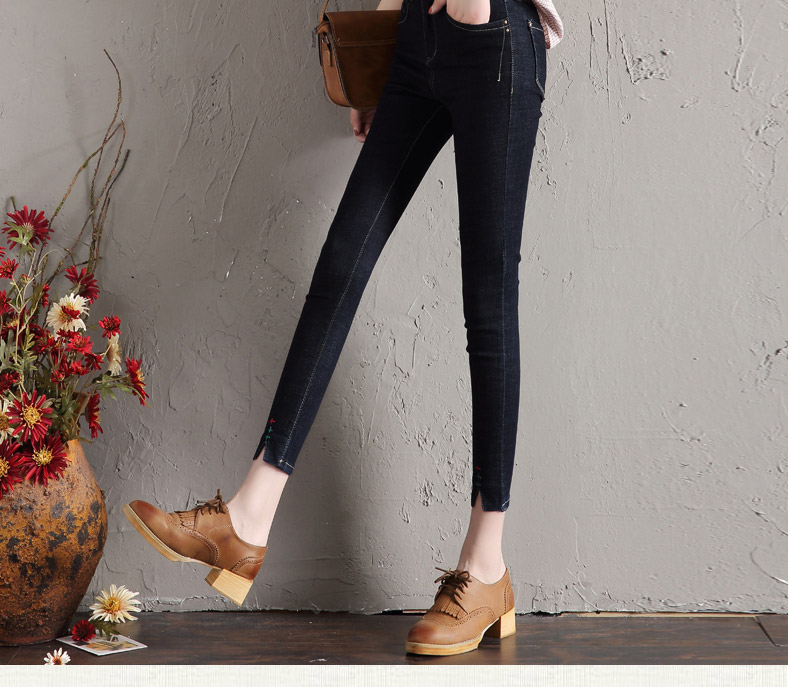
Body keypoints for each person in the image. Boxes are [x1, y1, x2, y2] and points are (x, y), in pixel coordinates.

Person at [123, 0, 563, 657]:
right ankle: (247, 518)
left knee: (488, 301)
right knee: (340, 266)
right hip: (415, 39)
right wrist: (381, 46)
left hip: (495, 37)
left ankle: (485, 565)